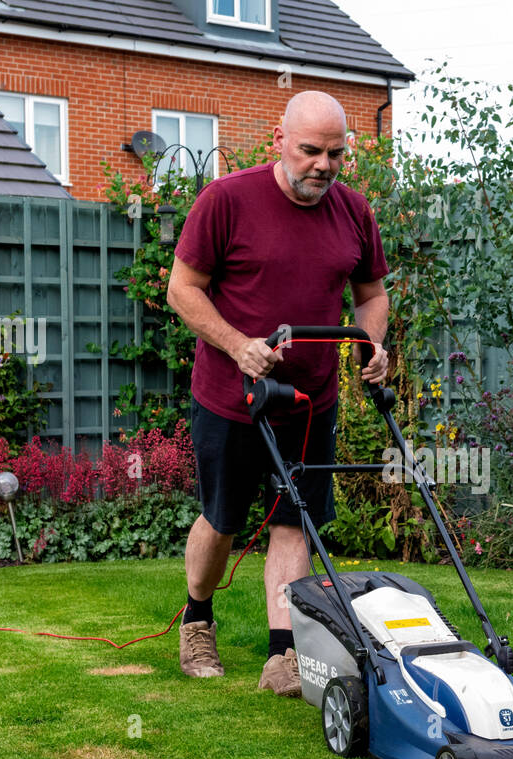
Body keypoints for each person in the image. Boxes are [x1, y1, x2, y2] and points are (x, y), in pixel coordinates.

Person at [166, 90, 390, 694]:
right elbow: (183, 289)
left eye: (336, 154)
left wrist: (370, 343)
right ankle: (197, 616)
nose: (323, 165)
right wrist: (239, 344)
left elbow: (371, 295)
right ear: (279, 141)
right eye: (311, 151)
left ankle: (283, 655)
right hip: (231, 396)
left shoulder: (353, 212)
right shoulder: (226, 200)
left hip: (310, 403)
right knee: (223, 519)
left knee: (295, 521)